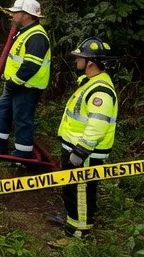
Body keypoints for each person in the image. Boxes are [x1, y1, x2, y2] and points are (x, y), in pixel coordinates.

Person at [49, 38, 118, 236]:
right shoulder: (91, 83)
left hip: (85, 153)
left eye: (81, 56)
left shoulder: (100, 91)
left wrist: (80, 152)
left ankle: (79, 233)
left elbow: (97, 126)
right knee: (73, 189)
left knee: (80, 191)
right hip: (77, 149)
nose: (76, 59)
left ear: (91, 62)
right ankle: (73, 221)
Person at [0, 0, 51, 161]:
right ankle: (0, 148)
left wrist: (15, 82)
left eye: (16, 12)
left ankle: (23, 156)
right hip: (15, 85)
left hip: (27, 87)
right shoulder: (25, 32)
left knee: (22, 120)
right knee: (2, 111)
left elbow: (31, 66)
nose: (12, 15)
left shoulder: (37, 37)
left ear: (26, 14)